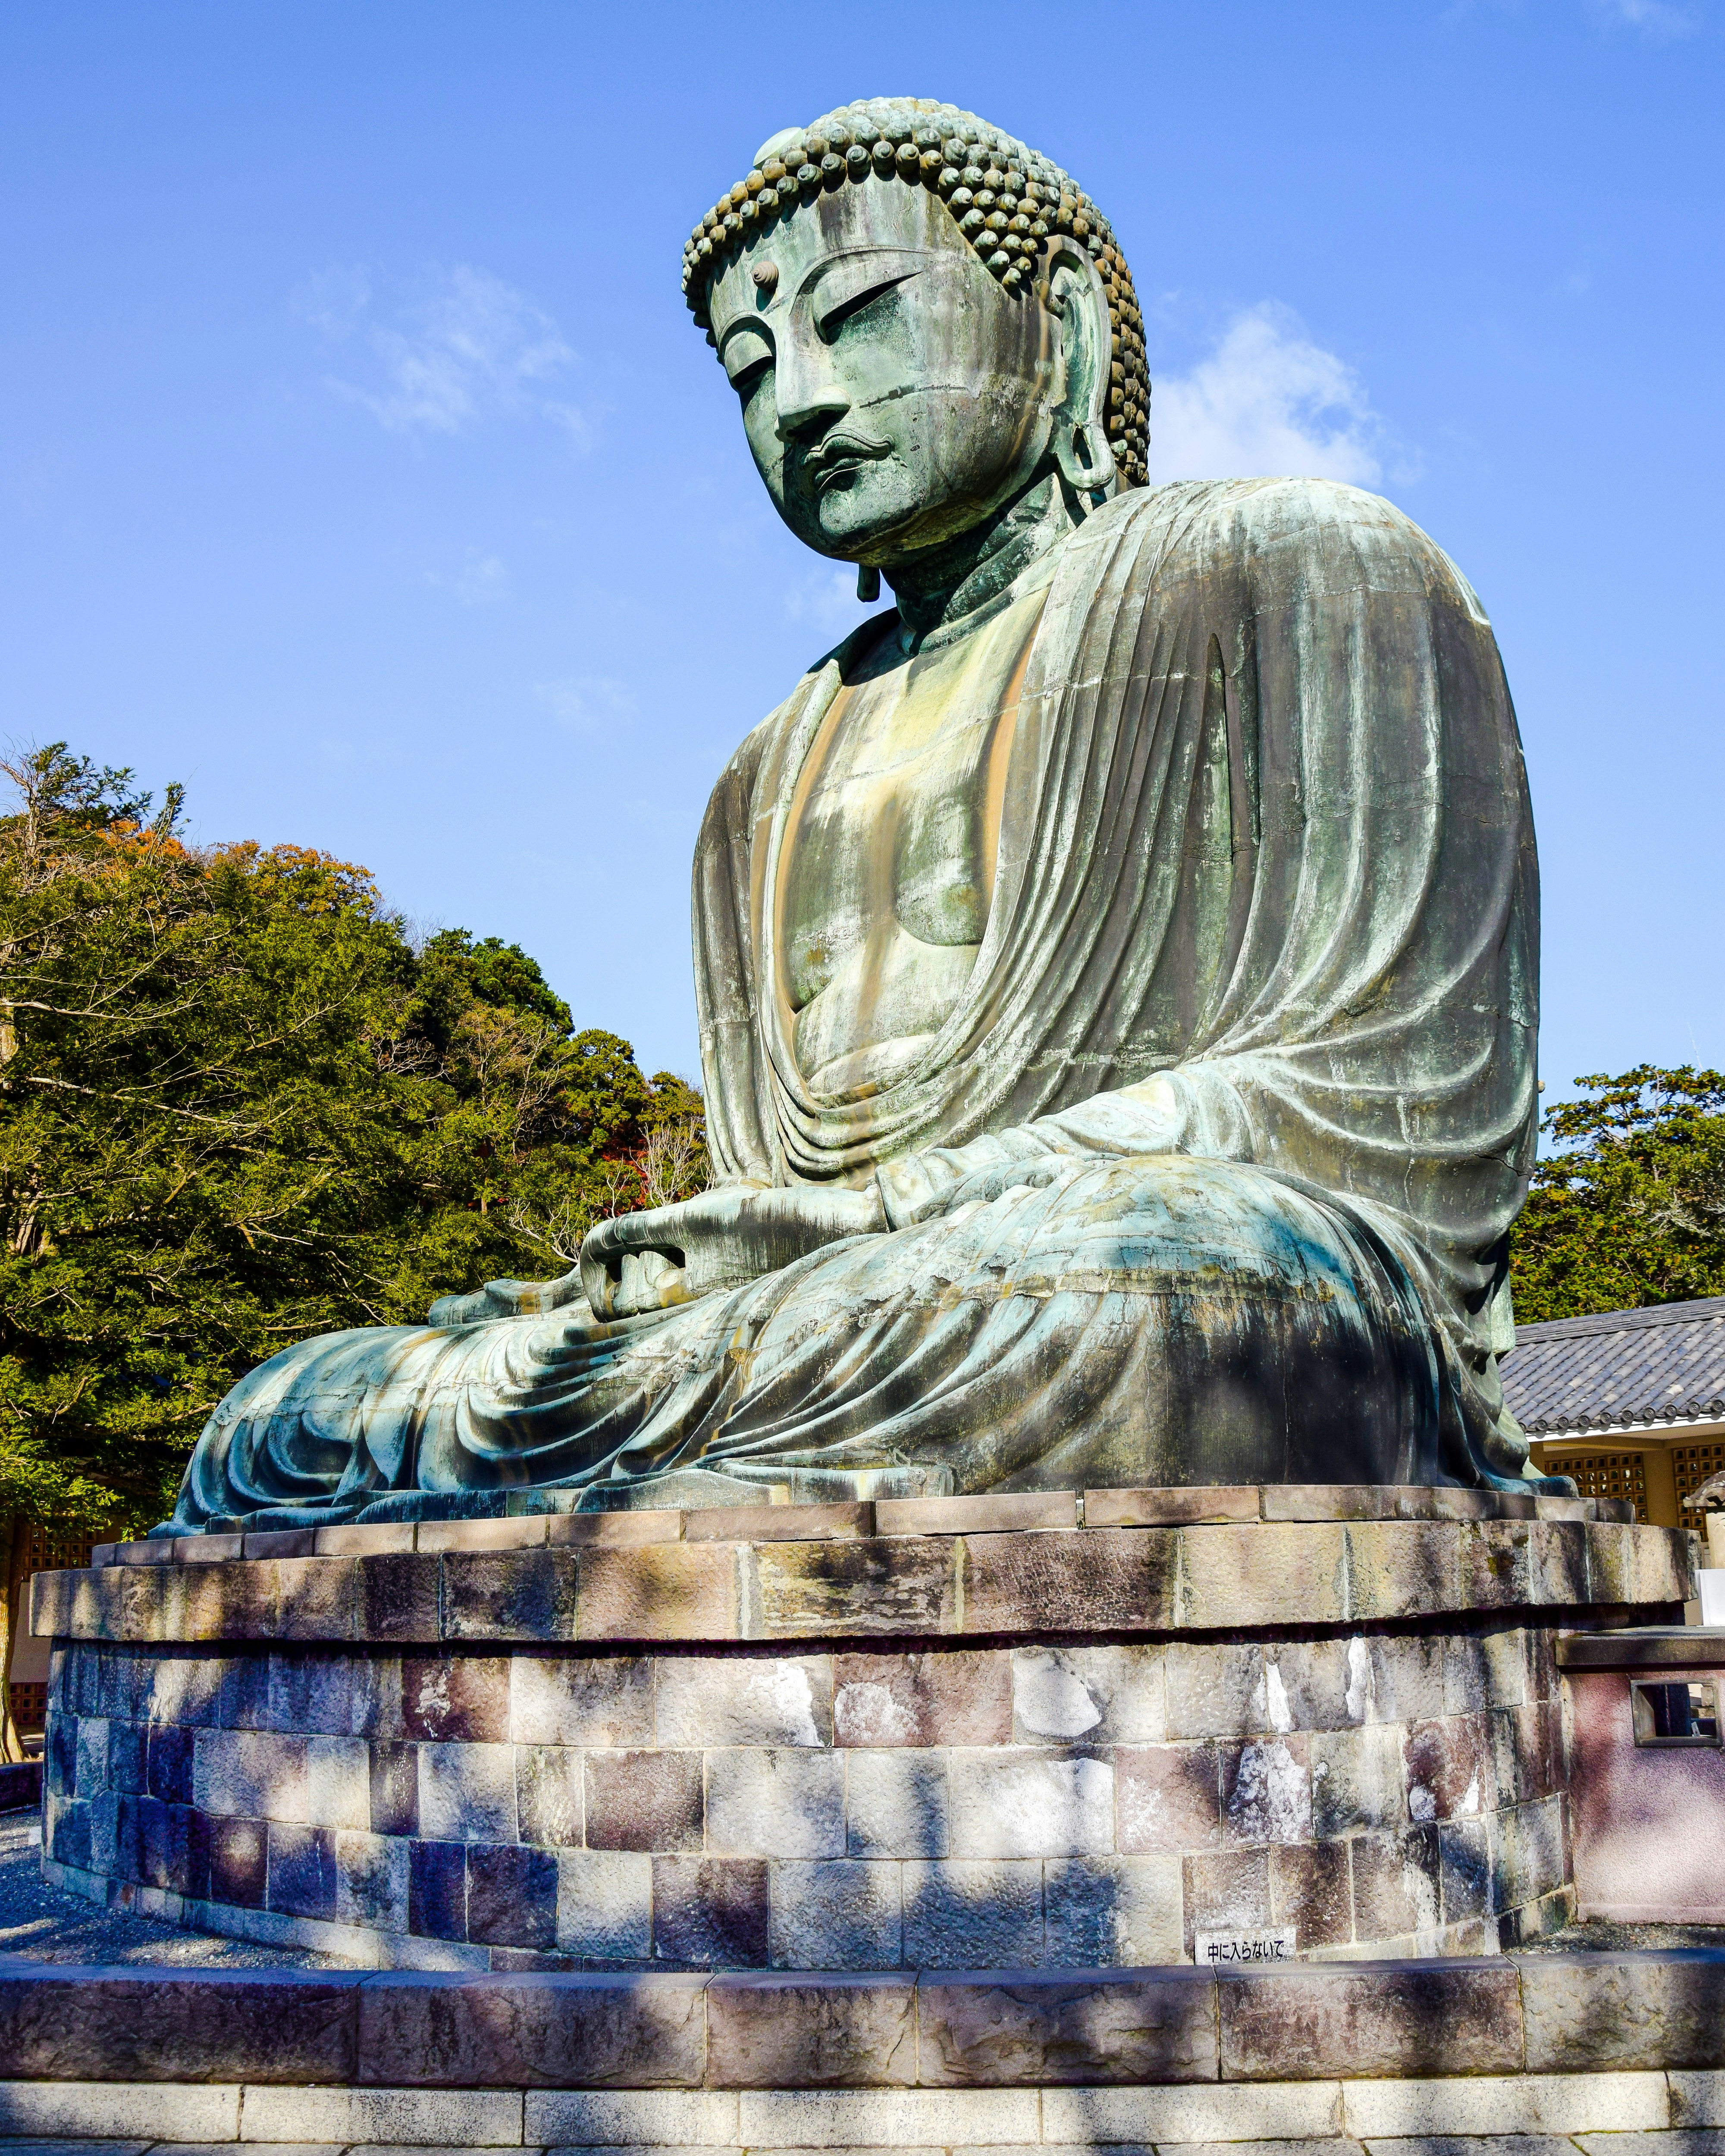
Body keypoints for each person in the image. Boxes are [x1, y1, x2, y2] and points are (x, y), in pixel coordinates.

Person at [161, 97, 1551, 1535]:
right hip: (851, 1303)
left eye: (862, 316)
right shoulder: (757, 782)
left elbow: (1403, 1099)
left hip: (1149, 1272)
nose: (803, 402)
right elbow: (770, 1193)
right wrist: (670, 1283)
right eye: (753, 373)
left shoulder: (1303, 567)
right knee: (293, 1409)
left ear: (1060, 325)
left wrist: (893, 1214)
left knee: (1167, 1292)